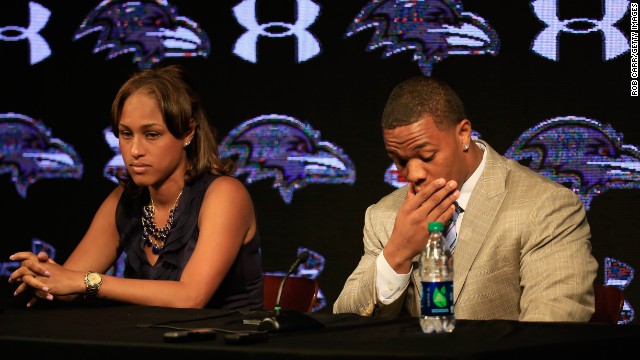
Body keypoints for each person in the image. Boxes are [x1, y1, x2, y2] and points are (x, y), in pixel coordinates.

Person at [333, 76, 598, 321]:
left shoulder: (546, 207)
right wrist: (397, 253)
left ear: (463, 134)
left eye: (426, 156)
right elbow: (344, 323)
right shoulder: (384, 214)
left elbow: (551, 330)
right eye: (399, 161)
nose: (412, 174)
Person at [8, 65, 263, 310]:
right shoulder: (125, 199)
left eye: (151, 134)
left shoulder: (225, 194)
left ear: (187, 132)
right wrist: (42, 276)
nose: (135, 151)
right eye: (126, 134)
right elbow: (70, 285)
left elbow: (190, 298)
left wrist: (87, 281)